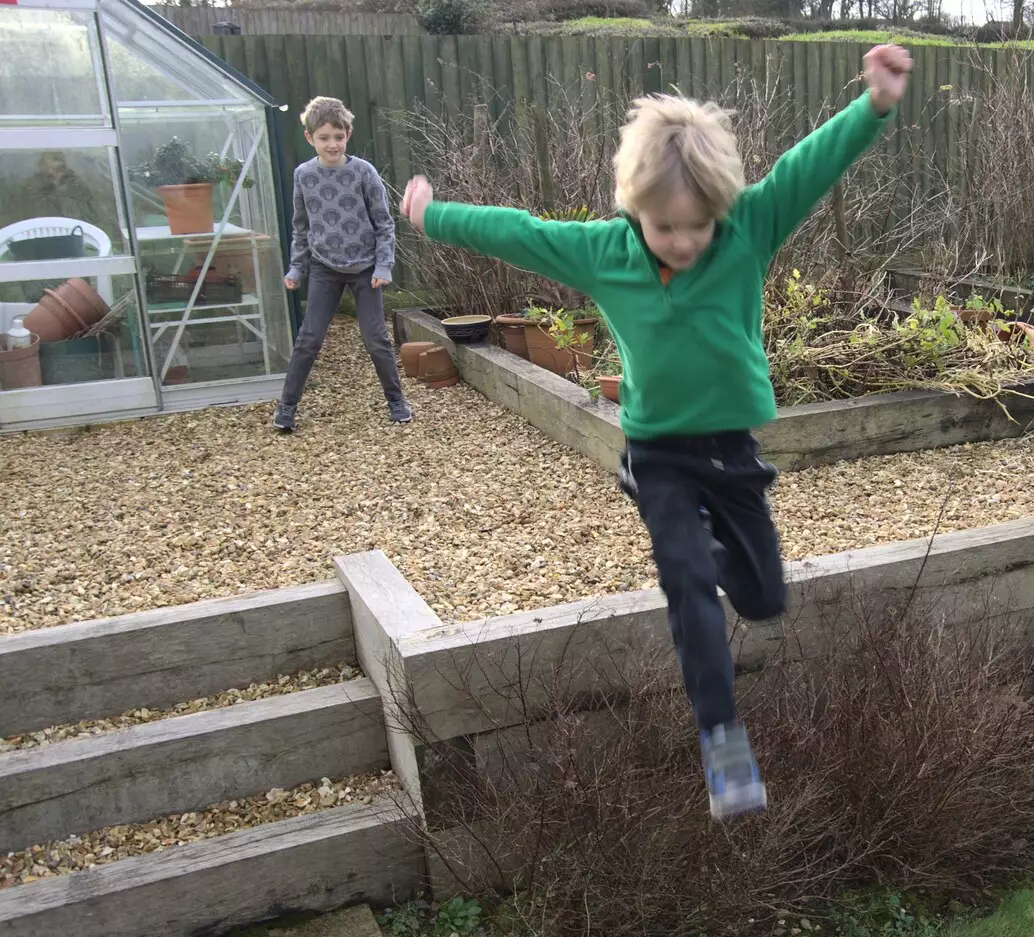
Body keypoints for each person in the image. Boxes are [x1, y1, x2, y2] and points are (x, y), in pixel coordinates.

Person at [399, 44, 913, 821]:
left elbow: (812, 164)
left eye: (697, 227)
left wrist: (873, 104)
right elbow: (519, 232)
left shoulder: (746, 231)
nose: (682, 240)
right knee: (684, 581)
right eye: (666, 226)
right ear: (635, 207)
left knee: (765, 597)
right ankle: (722, 738)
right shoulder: (605, 252)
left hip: (732, 453)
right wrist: (435, 215)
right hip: (661, 454)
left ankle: (709, 550)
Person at [274, 96, 410, 433]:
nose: (332, 144)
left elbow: (384, 223)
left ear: (347, 134)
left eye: (338, 136)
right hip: (324, 268)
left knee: (376, 337)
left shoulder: (363, 172)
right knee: (309, 339)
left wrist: (383, 266)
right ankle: (286, 407)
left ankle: (396, 401)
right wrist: (296, 268)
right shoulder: (304, 175)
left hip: (366, 269)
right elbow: (301, 226)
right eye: (324, 138)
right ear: (310, 139)